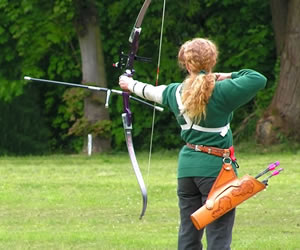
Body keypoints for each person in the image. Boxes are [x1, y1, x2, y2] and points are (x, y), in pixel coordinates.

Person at [119, 38, 267, 250]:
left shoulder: (174, 92)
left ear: (186, 65)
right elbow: (257, 78)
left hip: (187, 170)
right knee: (219, 237)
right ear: (212, 62)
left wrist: (128, 83)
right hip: (217, 171)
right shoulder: (223, 90)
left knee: (188, 235)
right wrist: (224, 75)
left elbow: (147, 90)